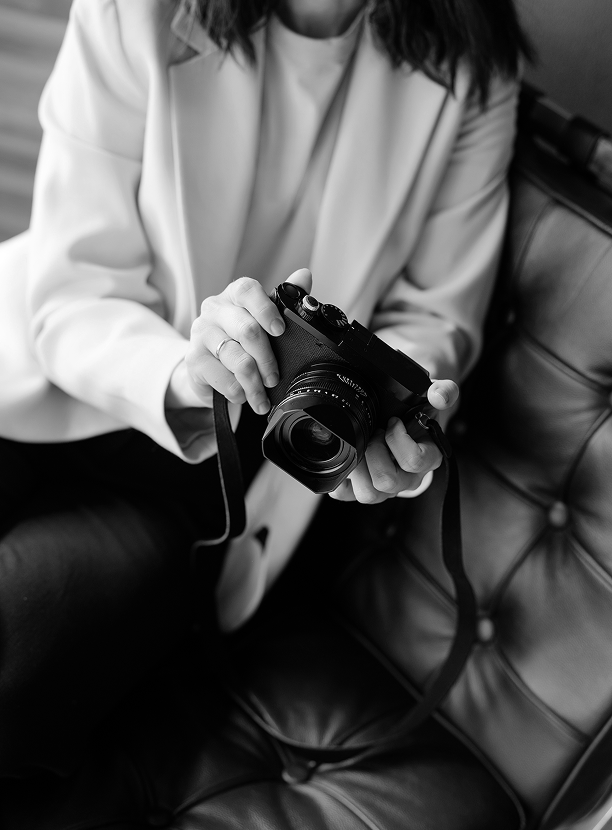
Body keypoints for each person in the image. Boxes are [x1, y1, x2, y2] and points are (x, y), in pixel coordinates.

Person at [0, 0, 530, 776]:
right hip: (41, 379)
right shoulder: (135, 9)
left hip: (209, 479)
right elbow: (70, 288)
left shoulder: (475, 65)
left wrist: (388, 419)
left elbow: (433, 317)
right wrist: (190, 372)